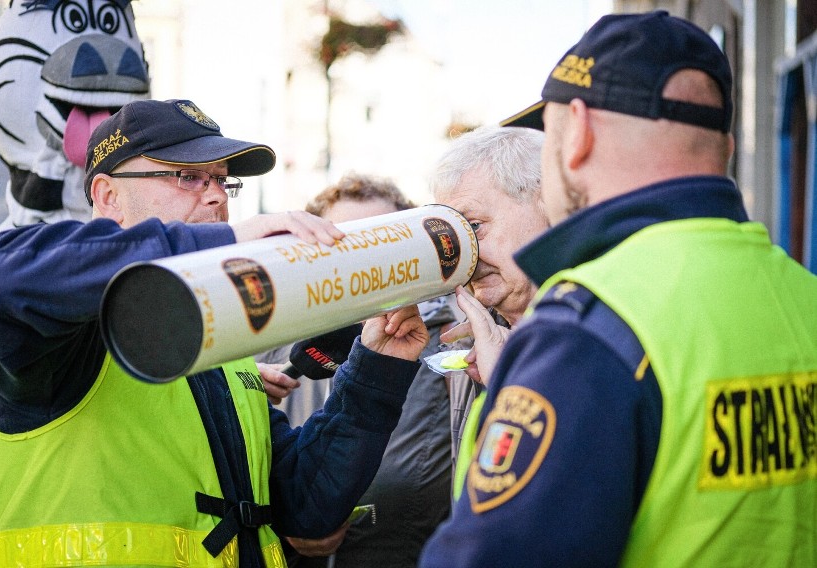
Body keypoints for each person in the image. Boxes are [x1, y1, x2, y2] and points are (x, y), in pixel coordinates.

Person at [420, 11, 817, 567]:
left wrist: (506, 395)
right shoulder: (803, 292)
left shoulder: (587, 329)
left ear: (577, 131)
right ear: (723, 144)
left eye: (550, 136)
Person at [0, 98, 429, 568]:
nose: (217, 197)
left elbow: (306, 508)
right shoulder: (60, 331)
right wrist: (230, 241)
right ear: (107, 197)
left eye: (223, 180)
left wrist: (375, 368)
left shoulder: (221, 341)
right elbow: (0, 279)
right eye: (188, 176)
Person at [256, 173, 456, 568]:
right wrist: (292, 523)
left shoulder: (454, 347)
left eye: (383, 241)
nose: (365, 262)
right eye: (343, 243)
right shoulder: (265, 349)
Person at [427, 125, 549, 487]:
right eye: (448, 234)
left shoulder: (595, 329)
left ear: (547, 203)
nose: (461, 254)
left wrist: (512, 389)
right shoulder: (471, 342)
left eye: (473, 226)